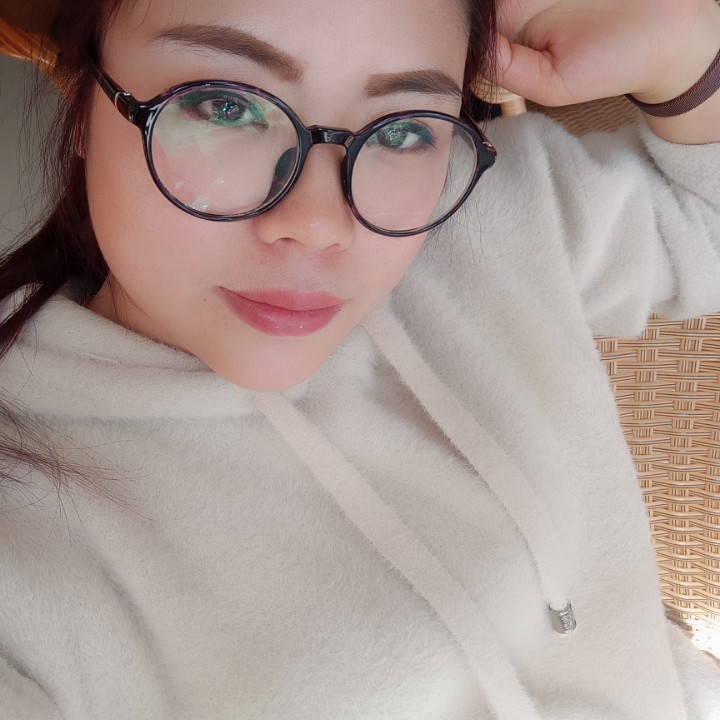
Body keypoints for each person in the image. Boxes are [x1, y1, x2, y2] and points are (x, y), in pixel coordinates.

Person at [0, 0, 719, 717]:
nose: (319, 224)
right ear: (84, 95)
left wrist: (683, 49)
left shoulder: (484, 218)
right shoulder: (23, 541)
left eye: (402, 128)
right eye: (225, 106)